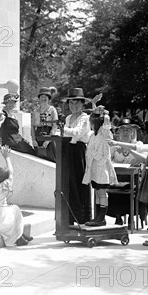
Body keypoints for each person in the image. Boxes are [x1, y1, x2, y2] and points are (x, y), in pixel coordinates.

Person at [0, 147, 32, 246]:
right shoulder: (3, 189)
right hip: (0, 225)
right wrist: (7, 157)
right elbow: (11, 172)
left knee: (8, 209)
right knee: (15, 209)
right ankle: (19, 237)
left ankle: (21, 235)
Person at [61, 88, 92, 224]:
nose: (74, 106)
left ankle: (82, 217)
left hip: (79, 152)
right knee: (69, 183)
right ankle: (70, 218)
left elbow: (78, 133)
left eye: (77, 103)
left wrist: (63, 129)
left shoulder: (85, 118)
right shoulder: (68, 118)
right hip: (68, 150)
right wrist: (65, 131)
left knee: (80, 182)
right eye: (71, 103)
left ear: (82, 104)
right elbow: (66, 134)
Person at [82, 107, 117, 226]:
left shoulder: (104, 135)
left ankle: (101, 217)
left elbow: (107, 126)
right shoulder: (92, 136)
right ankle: (98, 217)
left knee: (102, 193)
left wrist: (104, 114)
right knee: (97, 192)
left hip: (102, 168)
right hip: (94, 168)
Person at [31, 87, 59, 161]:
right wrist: (33, 139)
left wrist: (48, 140)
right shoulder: (35, 111)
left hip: (48, 135)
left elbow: (55, 126)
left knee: (51, 159)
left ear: (49, 99)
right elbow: (32, 126)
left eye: (45, 97)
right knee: (39, 158)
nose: (43, 99)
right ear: (39, 99)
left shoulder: (52, 110)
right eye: (41, 97)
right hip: (38, 136)